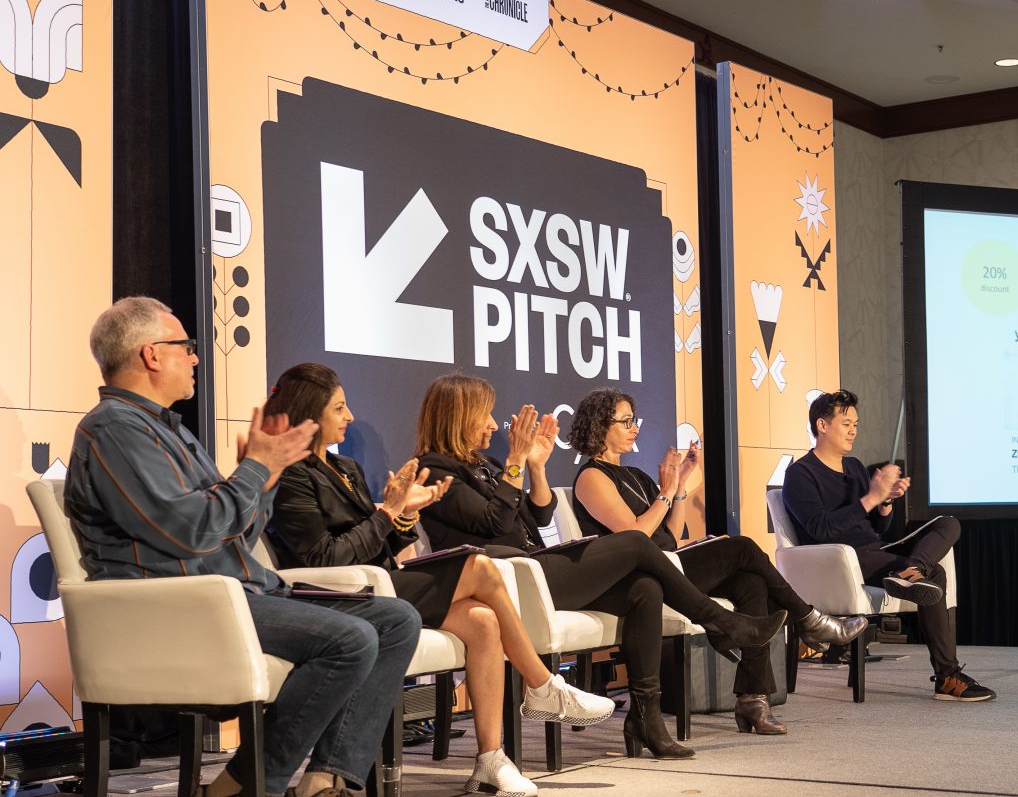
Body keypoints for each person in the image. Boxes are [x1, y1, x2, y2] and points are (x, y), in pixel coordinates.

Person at [64, 297, 420, 797]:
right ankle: (245, 785)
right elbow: (190, 533)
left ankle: (325, 779)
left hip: (230, 593)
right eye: (186, 346)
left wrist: (265, 479)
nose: (194, 357)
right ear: (151, 355)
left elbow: (232, 536)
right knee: (350, 640)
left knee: (396, 619)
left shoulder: (164, 429)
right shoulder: (115, 429)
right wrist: (255, 468)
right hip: (178, 605)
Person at [261, 364, 616, 797]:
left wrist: (403, 515)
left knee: (483, 621)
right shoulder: (292, 474)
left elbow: (381, 544)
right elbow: (323, 558)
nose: (349, 416)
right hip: (341, 592)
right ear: (310, 413)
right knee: (480, 567)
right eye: (339, 408)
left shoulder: (346, 467)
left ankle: (490, 760)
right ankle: (542, 685)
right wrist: (390, 514)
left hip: (382, 579)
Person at [412, 373, 806, 758]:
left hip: (532, 568)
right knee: (635, 542)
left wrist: (536, 468)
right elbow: (495, 523)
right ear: (458, 416)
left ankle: (646, 719)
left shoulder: (486, 465)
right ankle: (721, 622)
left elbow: (539, 515)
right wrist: (515, 461)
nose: (492, 424)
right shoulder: (433, 470)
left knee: (644, 589)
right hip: (508, 579)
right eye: (485, 414)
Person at [569, 388, 869, 736]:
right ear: (599, 426)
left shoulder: (635, 475)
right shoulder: (591, 477)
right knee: (742, 548)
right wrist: (665, 492)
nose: (634, 428)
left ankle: (753, 698)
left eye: (633, 420)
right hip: (640, 577)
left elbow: (671, 536)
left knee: (751, 583)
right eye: (625, 422)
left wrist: (680, 487)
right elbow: (634, 537)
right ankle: (808, 618)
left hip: (670, 564)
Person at [782, 389, 998, 703]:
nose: (853, 431)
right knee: (935, 575)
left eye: (856, 424)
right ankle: (947, 677)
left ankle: (912, 570)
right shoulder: (800, 474)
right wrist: (871, 497)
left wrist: (885, 503)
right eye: (846, 424)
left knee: (948, 523)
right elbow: (820, 528)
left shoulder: (855, 467)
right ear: (822, 425)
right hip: (839, 562)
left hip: (875, 551)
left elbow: (876, 528)